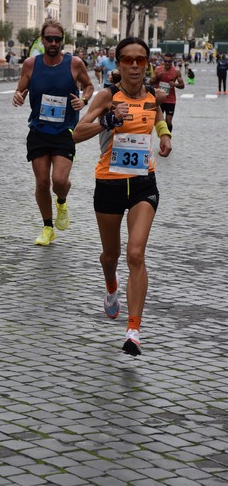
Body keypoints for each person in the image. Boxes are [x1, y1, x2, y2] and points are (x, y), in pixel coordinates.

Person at [73, 36, 172, 356]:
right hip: (110, 184)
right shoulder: (107, 96)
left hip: (144, 182)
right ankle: (111, 287)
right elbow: (76, 134)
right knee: (110, 256)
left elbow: (156, 116)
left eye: (140, 60)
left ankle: (134, 330)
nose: (133, 65)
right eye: (127, 60)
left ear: (148, 64)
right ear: (118, 63)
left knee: (136, 253)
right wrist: (107, 120)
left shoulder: (153, 96)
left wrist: (165, 136)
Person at [12, 19, 94, 246]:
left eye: (58, 39)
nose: (53, 43)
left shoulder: (74, 63)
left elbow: (89, 86)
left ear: (62, 41)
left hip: (64, 130)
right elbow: (20, 90)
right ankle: (48, 227)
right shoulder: (30, 64)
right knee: (41, 183)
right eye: (49, 38)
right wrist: (18, 96)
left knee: (59, 180)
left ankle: (62, 200)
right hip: (38, 129)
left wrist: (84, 100)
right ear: (42, 39)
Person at [149, 52, 184, 133]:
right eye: (165, 61)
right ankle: (161, 137)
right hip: (159, 99)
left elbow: (182, 85)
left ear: (172, 61)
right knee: (157, 121)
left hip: (170, 100)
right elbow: (150, 82)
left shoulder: (176, 71)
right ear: (163, 61)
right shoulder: (158, 69)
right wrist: (157, 77)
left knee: (168, 121)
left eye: (169, 61)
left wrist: (174, 84)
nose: (167, 63)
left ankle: (167, 137)